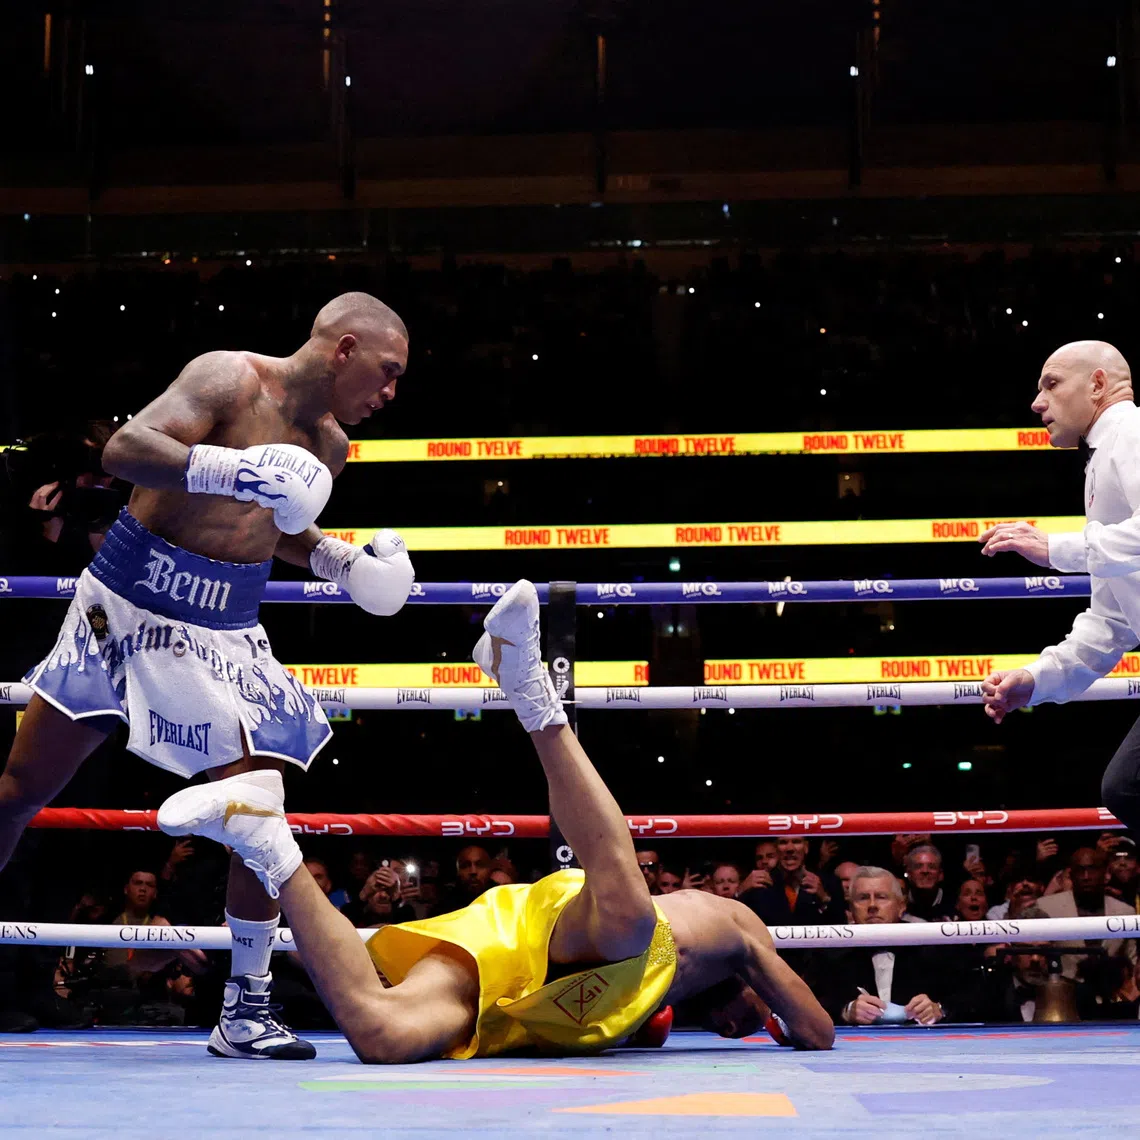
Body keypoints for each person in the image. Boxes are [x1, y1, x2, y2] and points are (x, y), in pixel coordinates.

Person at [155, 581, 835, 1061]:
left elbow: (779, 1030)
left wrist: (738, 1018)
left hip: (515, 1004)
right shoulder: (730, 930)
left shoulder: (675, 1005)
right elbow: (818, 1031)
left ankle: (264, 834)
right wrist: (759, 983)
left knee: (382, 1036)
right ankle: (531, 691)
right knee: (631, 920)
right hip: (559, 931)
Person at [0, 291, 414, 1059]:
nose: (390, 394)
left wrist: (336, 559)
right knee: (18, 795)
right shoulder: (230, 379)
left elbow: (277, 525)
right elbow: (126, 449)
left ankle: (246, 1009)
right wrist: (235, 467)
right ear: (346, 349)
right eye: (387, 373)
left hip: (224, 628)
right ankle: (244, 1014)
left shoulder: (330, 448)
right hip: (125, 606)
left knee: (260, 797)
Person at [977, 342, 1140, 835]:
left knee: (1129, 786)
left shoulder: (1131, 432)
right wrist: (1037, 679)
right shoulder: (1103, 456)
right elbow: (1111, 620)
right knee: (1127, 787)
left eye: (1051, 384)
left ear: (1096, 385)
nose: (1037, 402)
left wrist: (1056, 550)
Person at [818, 867, 961, 1027]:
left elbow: (970, 996)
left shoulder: (930, 945)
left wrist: (939, 1009)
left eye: (881, 897)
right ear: (850, 908)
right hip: (853, 1046)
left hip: (925, 1045)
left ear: (901, 906)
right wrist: (846, 1011)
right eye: (863, 898)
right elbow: (811, 1002)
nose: (872, 905)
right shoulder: (831, 951)